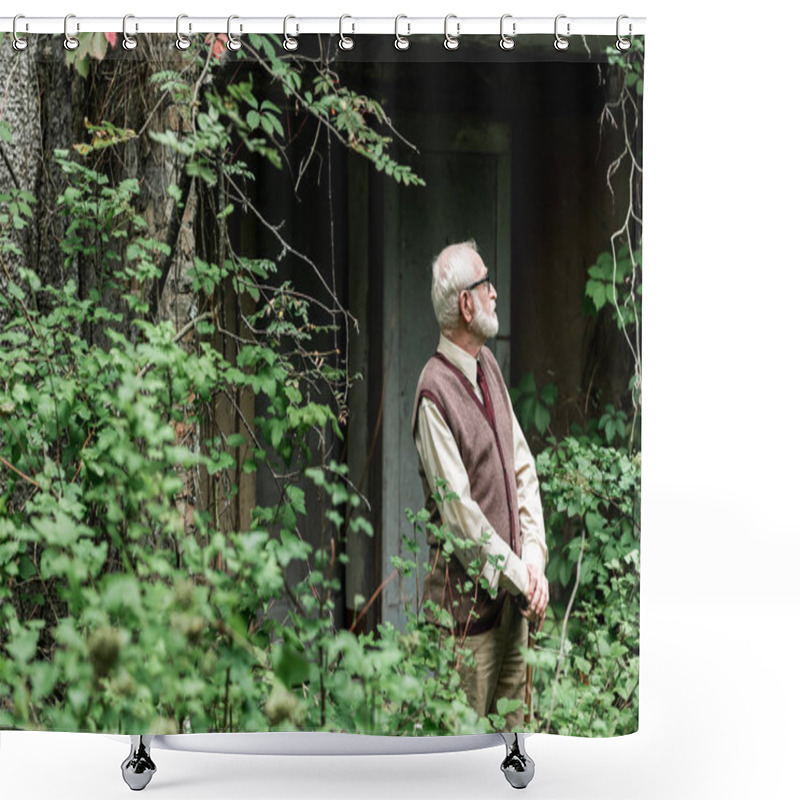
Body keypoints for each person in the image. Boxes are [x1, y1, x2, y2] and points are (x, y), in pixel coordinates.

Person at [412, 240, 549, 730]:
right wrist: (523, 580)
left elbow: (521, 467)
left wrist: (533, 560)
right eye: (485, 284)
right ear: (466, 304)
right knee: (462, 759)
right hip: (465, 626)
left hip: (514, 607)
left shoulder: (487, 365)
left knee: (514, 749)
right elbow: (462, 521)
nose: (495, 292)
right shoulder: (434, 393)